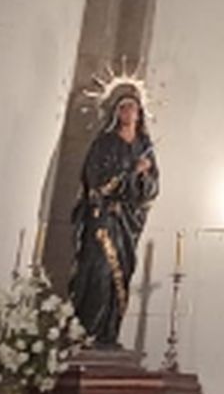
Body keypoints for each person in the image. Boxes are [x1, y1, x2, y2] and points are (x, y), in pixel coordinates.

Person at [68, 87, 159, 347]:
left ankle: (109, 334)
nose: (128, 112)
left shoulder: (145, 147)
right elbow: (94, 181)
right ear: (115, 112)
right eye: (123, 107)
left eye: (133, 107)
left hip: (128, 223)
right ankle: (87, 332)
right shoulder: (104, 143)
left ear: (140, 113)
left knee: (121, 276)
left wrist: (143, 176)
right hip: (103, 218)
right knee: (98, 271)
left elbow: (152, 189)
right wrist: (131, 170)